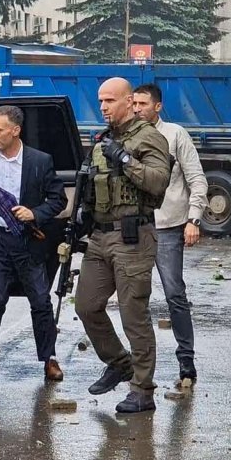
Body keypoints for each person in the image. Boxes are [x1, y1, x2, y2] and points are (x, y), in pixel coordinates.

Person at [75, 77, 170, 414]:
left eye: (110, 101)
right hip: (100, 236)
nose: (103, 107)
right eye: (101, 101)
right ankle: (119, 363)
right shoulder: (103, 139)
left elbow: (158, 182)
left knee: (134, 314)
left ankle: (143, 391)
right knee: (86, 306)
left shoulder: (148, 137)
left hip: (132, 237)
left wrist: (126, 160)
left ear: (129, 102)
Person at [0, 105, 67, 381]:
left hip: (27, 241)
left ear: (15, 130)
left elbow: (58, 199)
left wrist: (35, 213)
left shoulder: (39, 161)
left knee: (41, 301)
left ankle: (49, 359)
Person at [133, 83, 208, 383]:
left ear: (158, 106)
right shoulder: (127, 137)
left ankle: (186, 360)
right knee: (134, 297)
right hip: (135, 228)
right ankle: (140, 365)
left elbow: (197, 179)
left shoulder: (175, 135)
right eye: (134, 103)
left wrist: (194, 219)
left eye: (143, 104)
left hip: (168, 228)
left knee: (175, 293)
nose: (137, 109)